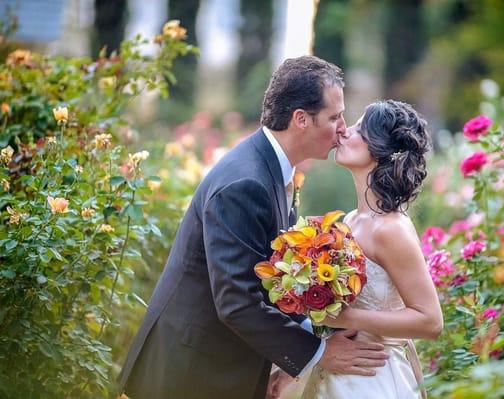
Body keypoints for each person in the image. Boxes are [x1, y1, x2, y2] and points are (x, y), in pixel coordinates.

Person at [117, 55, 389, 398]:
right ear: (301, 119)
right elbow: (237, 302)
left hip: (215, 368)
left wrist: (314, 332)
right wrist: (319, 353)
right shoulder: (246, 183)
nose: (343, 128)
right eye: (334, 117)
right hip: (187, 375)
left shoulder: (272, 170)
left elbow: (265, 284)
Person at [301, 100, 444, 399]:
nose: (344, 131)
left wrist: (345, 319)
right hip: (340, 373)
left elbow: (430, 320)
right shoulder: (352, 220)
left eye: (358, 128)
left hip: (375, 378)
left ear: (380, 149)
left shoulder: (390, 229)